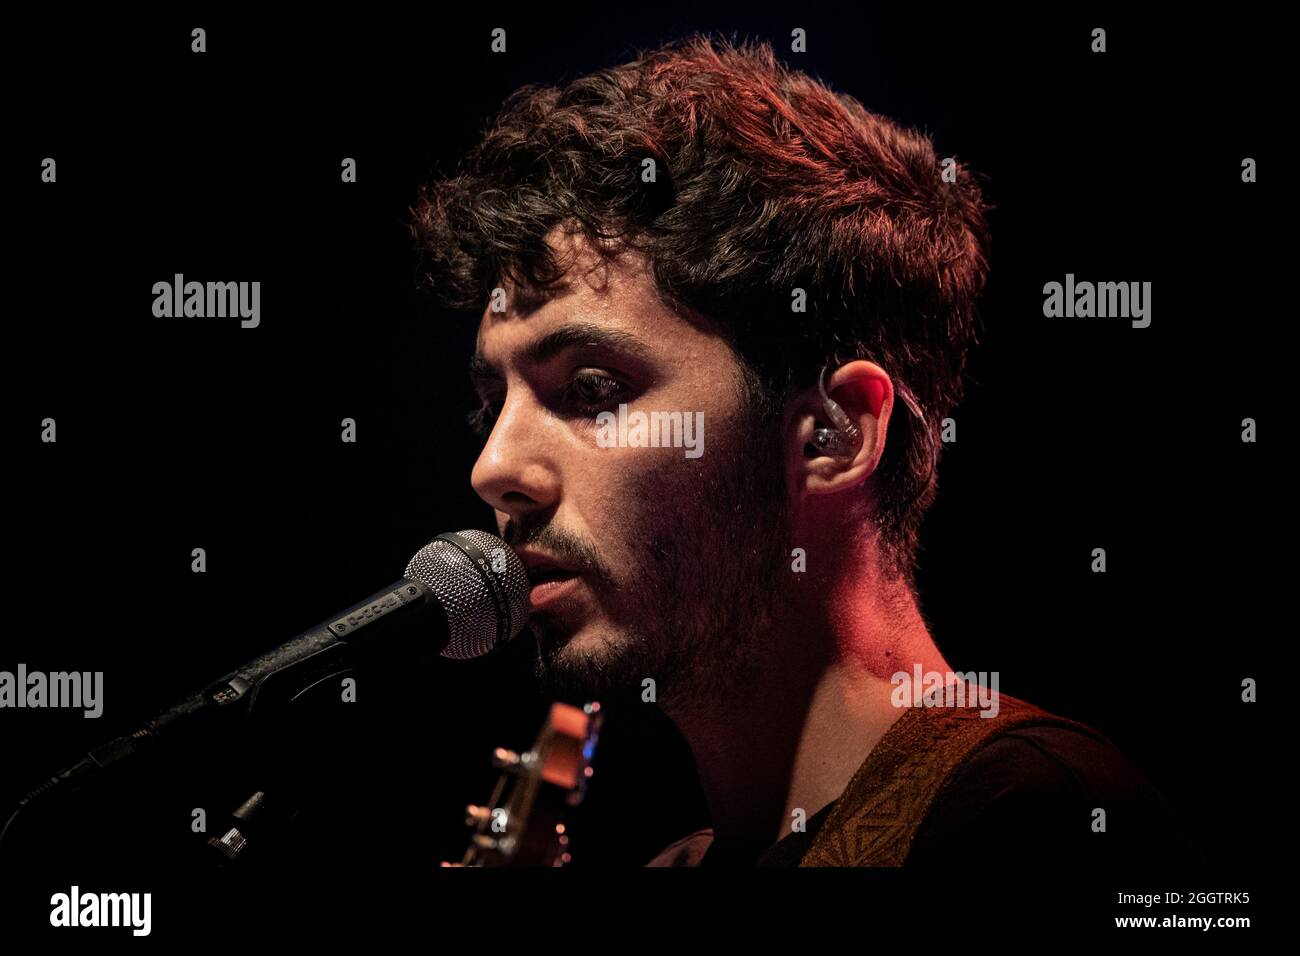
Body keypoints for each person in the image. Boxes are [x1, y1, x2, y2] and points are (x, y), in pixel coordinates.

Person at [409, 34, 1200, 867]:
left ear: (835, 434)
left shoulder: (1036, 821)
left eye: (593, 388)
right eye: (493, 404)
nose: (493, 468)